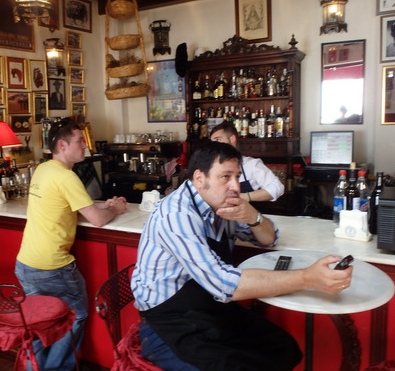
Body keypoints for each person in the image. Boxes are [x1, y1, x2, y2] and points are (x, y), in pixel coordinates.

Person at [131, 141, 353, 371]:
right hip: (166, 324)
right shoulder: (176, 214)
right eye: (225, 176)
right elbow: (223, 283)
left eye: (237, 176)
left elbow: (268, 238)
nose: (236, 186)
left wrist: (253, 217)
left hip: (207, 308)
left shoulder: (222, 203)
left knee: (282, 348)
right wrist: (308, 278)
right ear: (199, 178)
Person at [15, 118, 127, 371]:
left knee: (42, 324)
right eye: (80, 141)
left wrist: (107, 205)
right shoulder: (66, 177)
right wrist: (116, 209)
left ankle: (35, 367)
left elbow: (70, 207)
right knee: (76, 315)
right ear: (63, 145)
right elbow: (97, 221)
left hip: (26, 263)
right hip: (51, 267)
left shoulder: (44, 169)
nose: (85, 147)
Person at [210, 122, 284, 204]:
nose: (214, 146)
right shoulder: (211, 166)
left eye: (218, 140)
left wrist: (246, 196)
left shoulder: (251, 165)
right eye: (212, 142)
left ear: (232, 139)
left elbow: (277, 187)